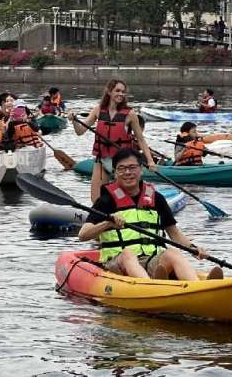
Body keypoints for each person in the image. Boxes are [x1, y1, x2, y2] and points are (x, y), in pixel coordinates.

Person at [79, 149, 222, 281]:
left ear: (141, 170)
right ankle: (152, 287)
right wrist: (108, 223)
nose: (127, 172)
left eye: (132, 167)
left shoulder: (157, 198)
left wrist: (193, 248)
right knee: (128, 254)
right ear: (115, 173)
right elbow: (83, 235)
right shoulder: (106, 200)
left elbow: (174, 234)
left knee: (172, 253)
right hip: (117, 262)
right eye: (121, 169)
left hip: (150, 259)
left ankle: (198, 287)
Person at [70, 79, 156, 203]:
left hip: (122, 164)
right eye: (117, 91)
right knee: (96, 200)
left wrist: (150, 161)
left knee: (122, 198)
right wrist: (74, 121)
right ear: (109, 92)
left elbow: (141, 140)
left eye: (123, 92)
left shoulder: (130, 114)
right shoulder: (98, 110)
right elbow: (80, 131)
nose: (121, 94)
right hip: (102, 161)